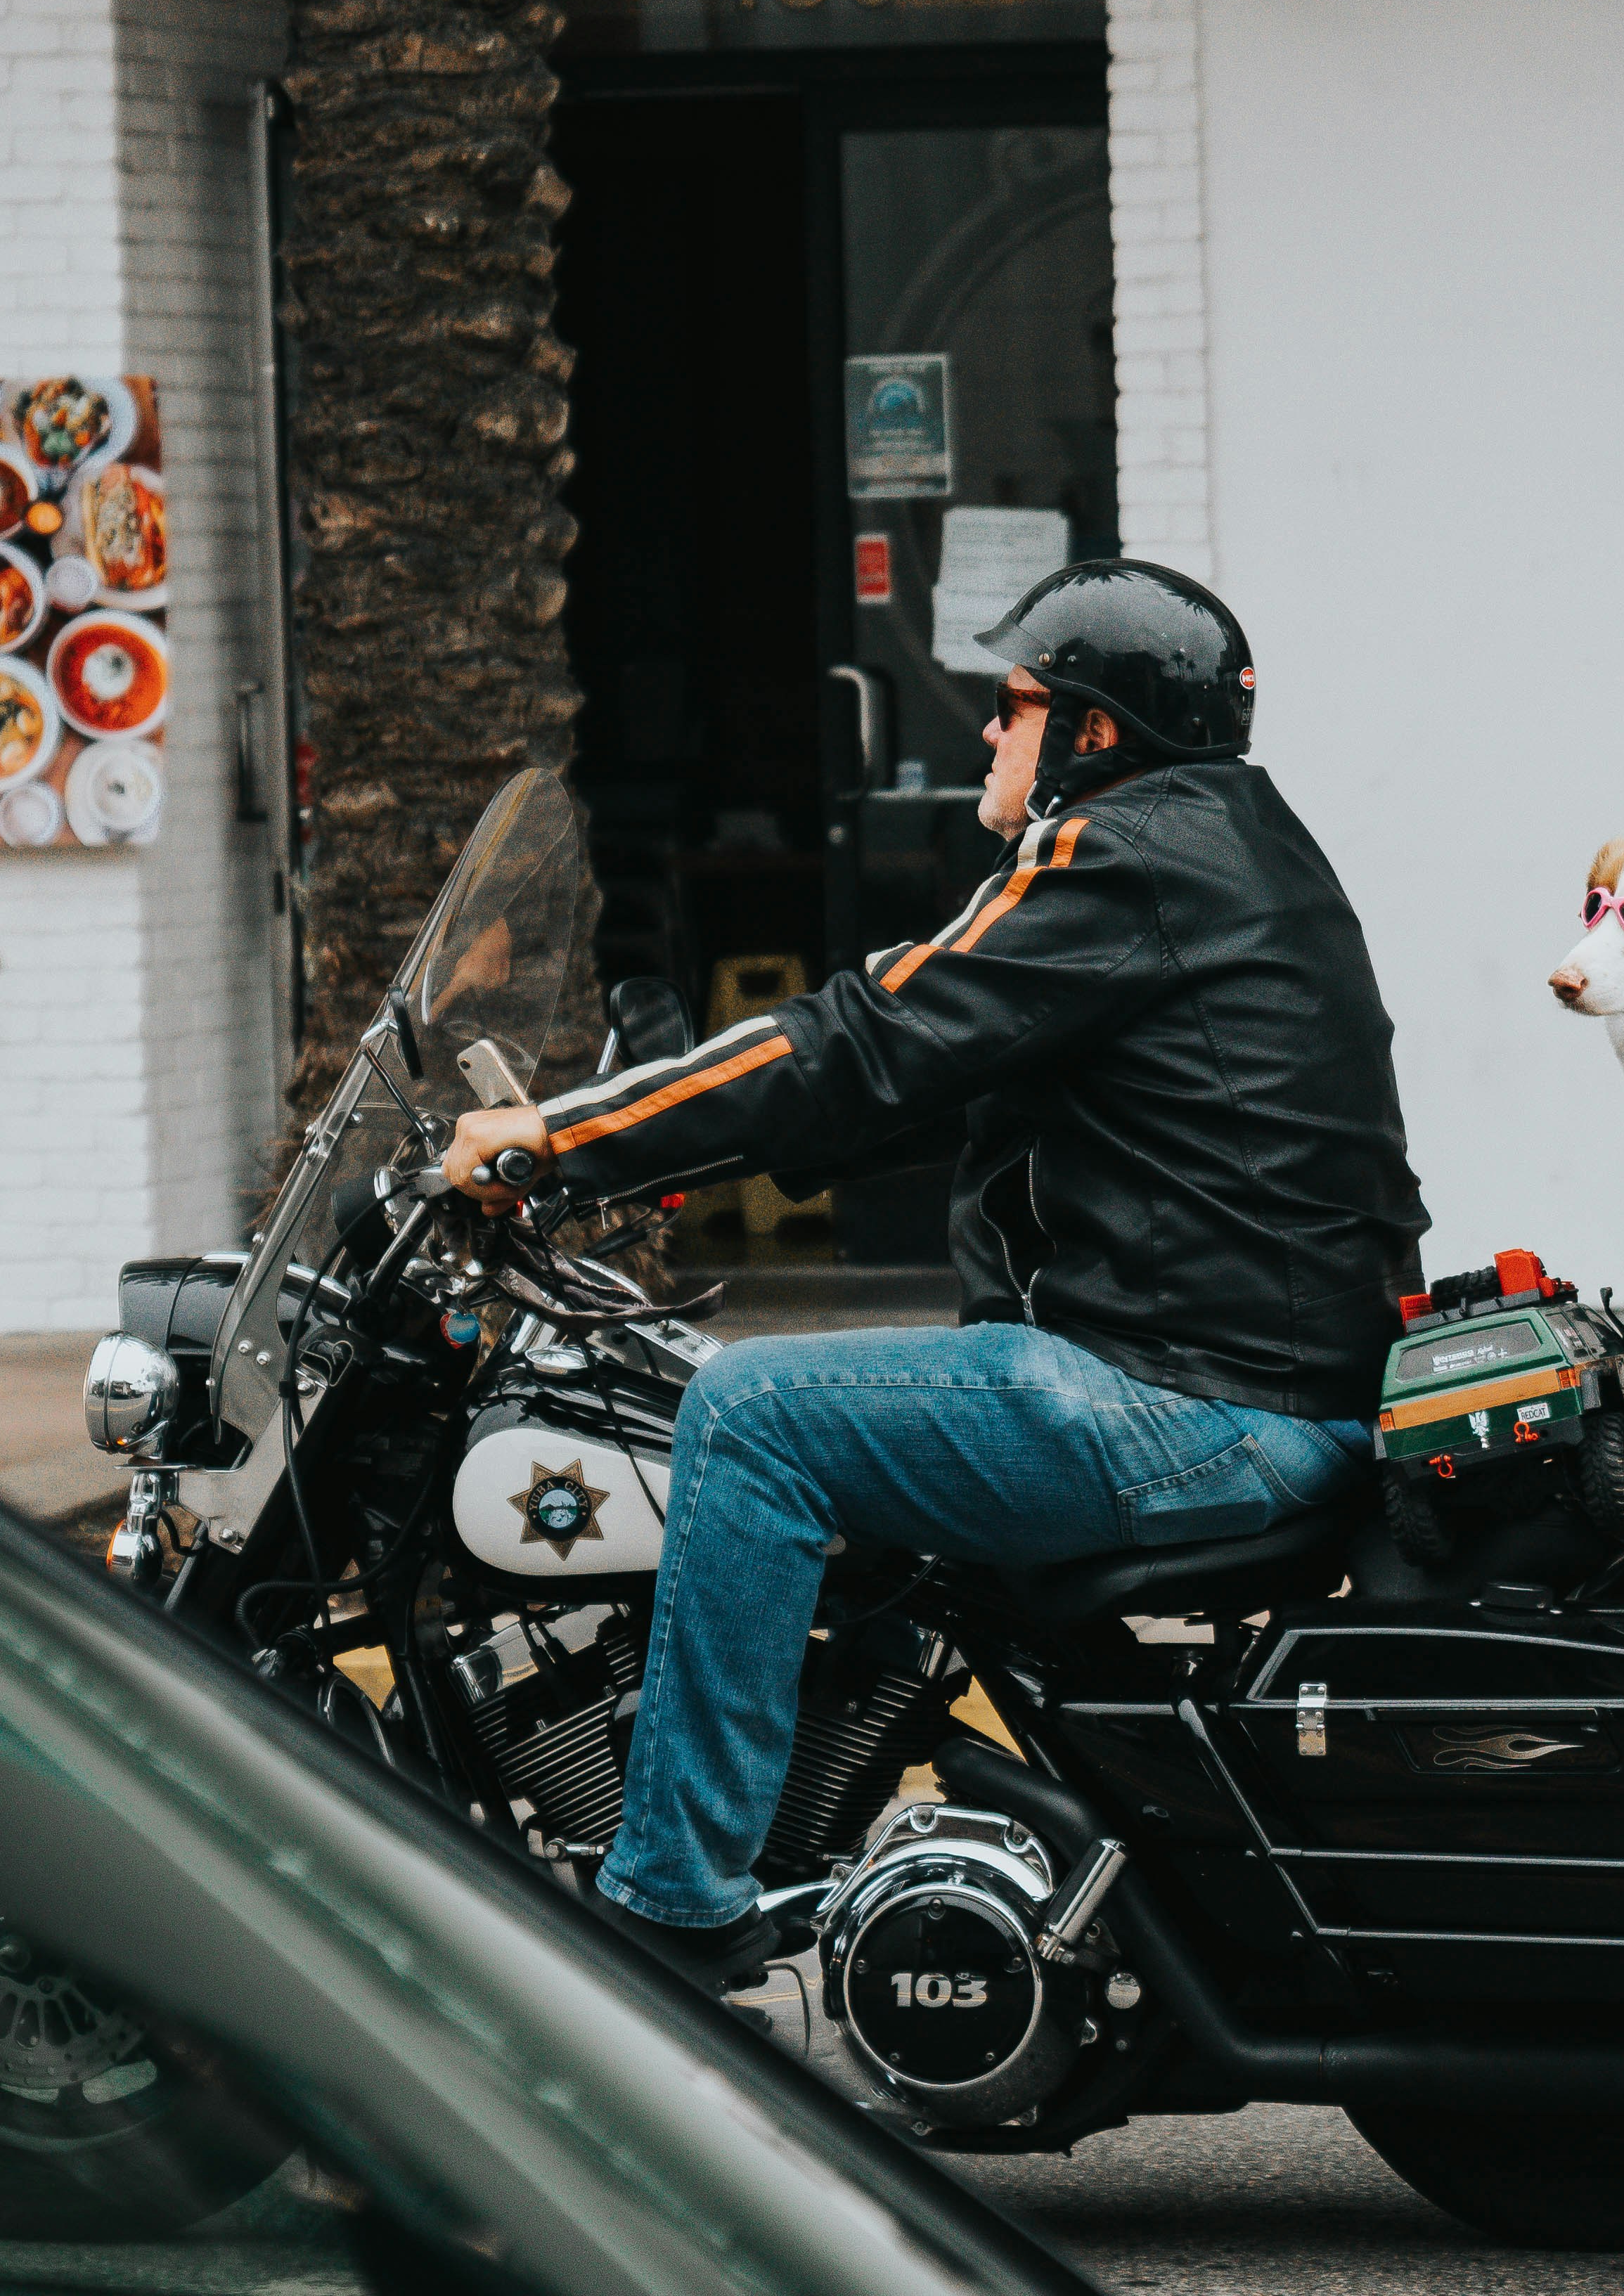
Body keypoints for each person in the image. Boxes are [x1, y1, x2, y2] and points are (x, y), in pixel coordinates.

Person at [436, 560, 1425, 1989]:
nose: (985, 735)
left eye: (1012, 705)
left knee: (755, 1416)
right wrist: (668, 1150)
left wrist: (557, 1139)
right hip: (1251, 1378)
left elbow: (864, 1035)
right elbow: (915, 1073)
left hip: (1194, 1399)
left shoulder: (1120, 855)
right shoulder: (1227, 839)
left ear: (1093, 730)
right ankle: (827, 1835)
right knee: (842, 1417)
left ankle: (669, 1903)